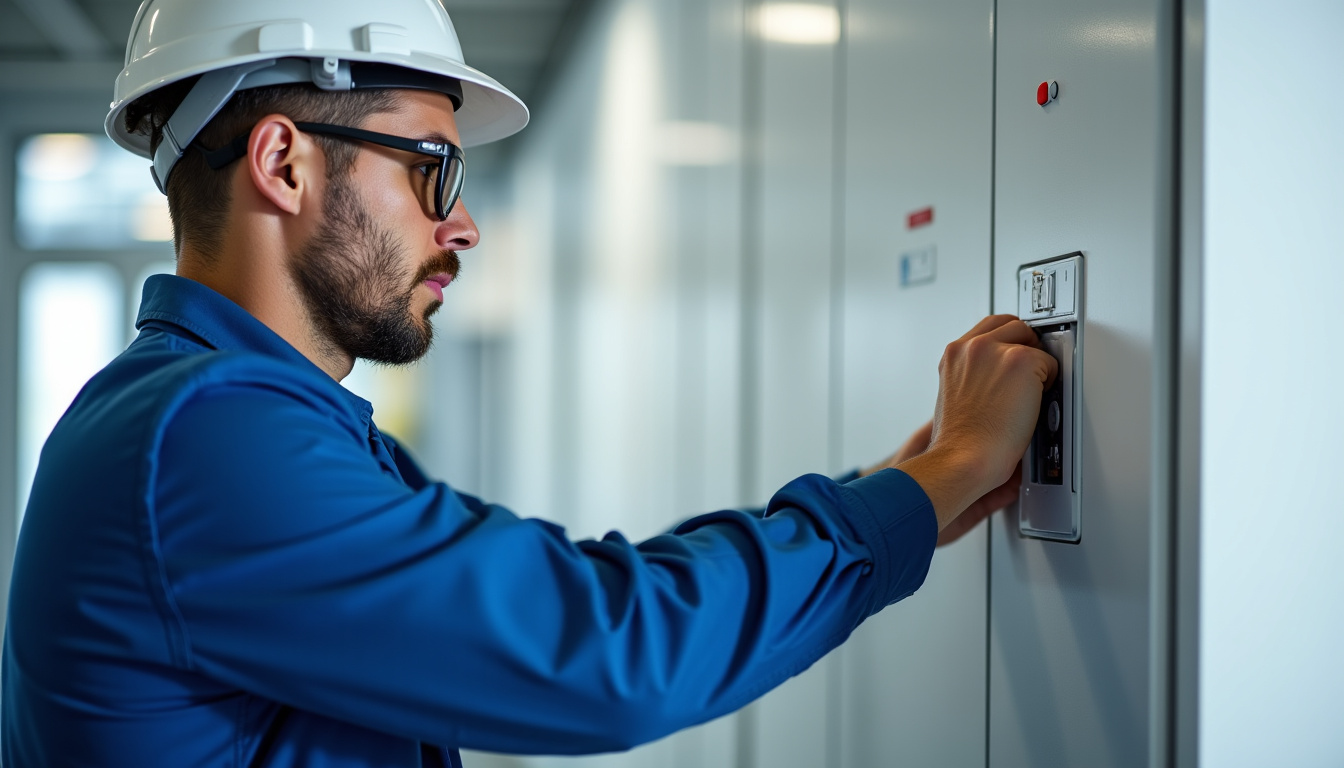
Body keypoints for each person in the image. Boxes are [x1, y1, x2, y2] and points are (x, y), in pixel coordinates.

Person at [0, 1, 1057, 766]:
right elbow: (603, 651)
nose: (460, 225)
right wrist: (937, 479)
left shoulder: (216, 420)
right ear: (284, 164)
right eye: (431, 169)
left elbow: (567, 594)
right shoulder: (203, 439)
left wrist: (902, 485)